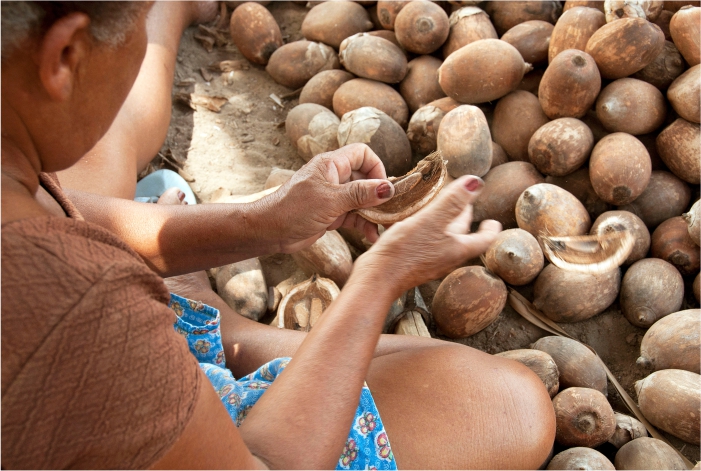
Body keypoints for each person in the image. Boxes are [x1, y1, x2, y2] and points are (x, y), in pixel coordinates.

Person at [1, 2, 556, 469]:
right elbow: (267, 463)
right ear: (66, 53)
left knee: (96, 143)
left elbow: (62, 214)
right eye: (136, 29)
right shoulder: (82, 313)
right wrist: (379, 276)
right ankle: (223, 330)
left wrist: (265, 221)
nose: (133, 55)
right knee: (511, 406)